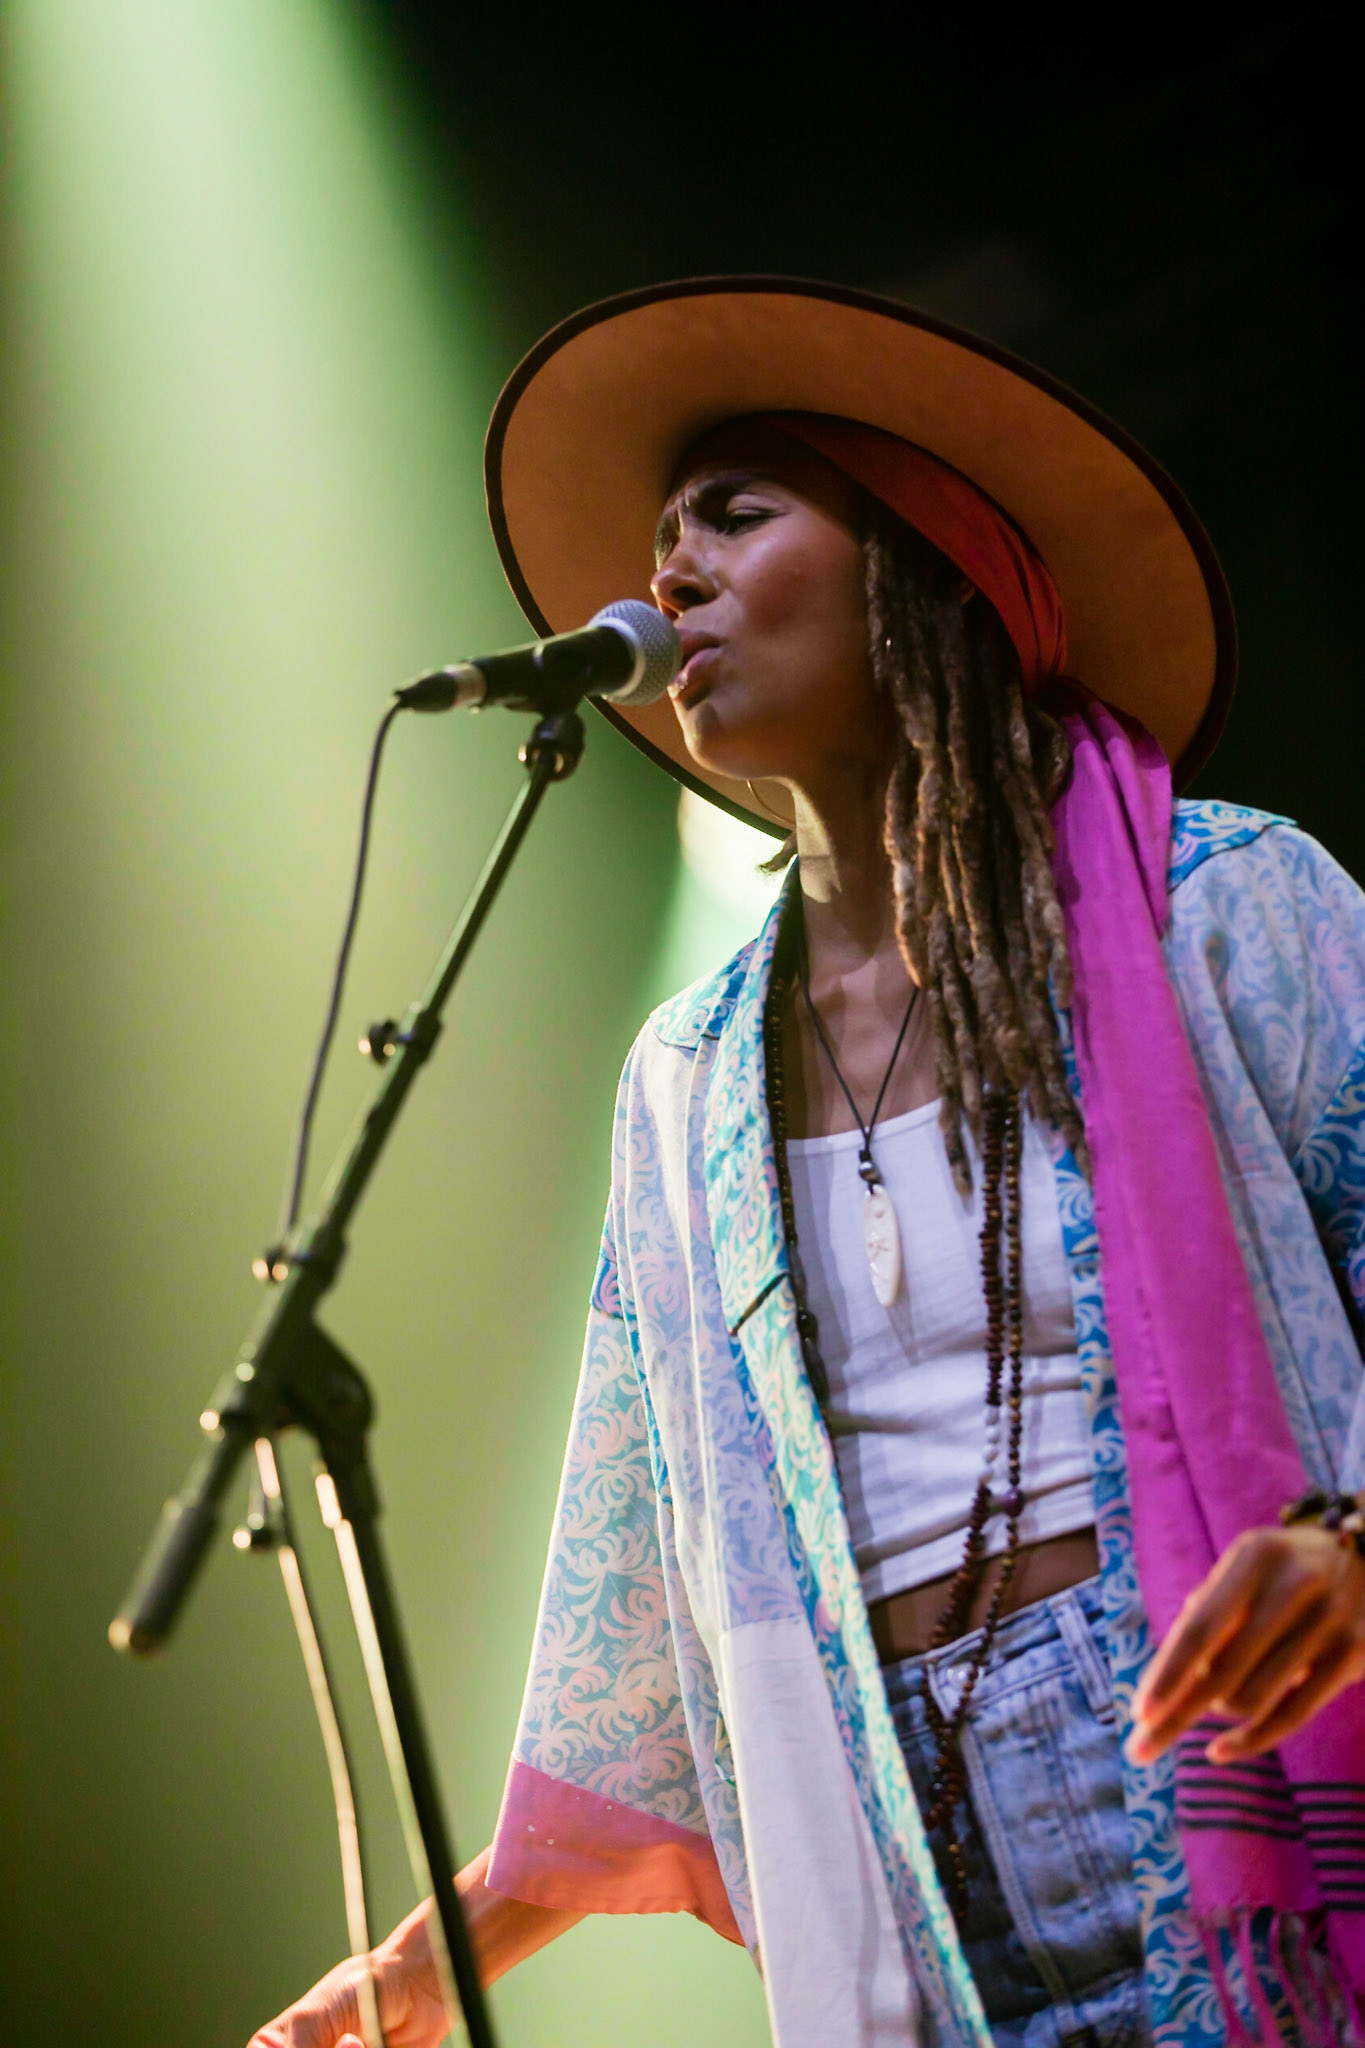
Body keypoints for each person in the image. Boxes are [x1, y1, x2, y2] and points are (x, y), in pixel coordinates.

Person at [251, 280, 1365, 2048]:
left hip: (1228, 1751)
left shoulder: (1218, 902)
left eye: (733, 514)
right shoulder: (687, 1081)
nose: (666, 578)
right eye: (660, 544)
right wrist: (415, 1973)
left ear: (927, 564)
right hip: (890, 1829)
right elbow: (644, 1628)